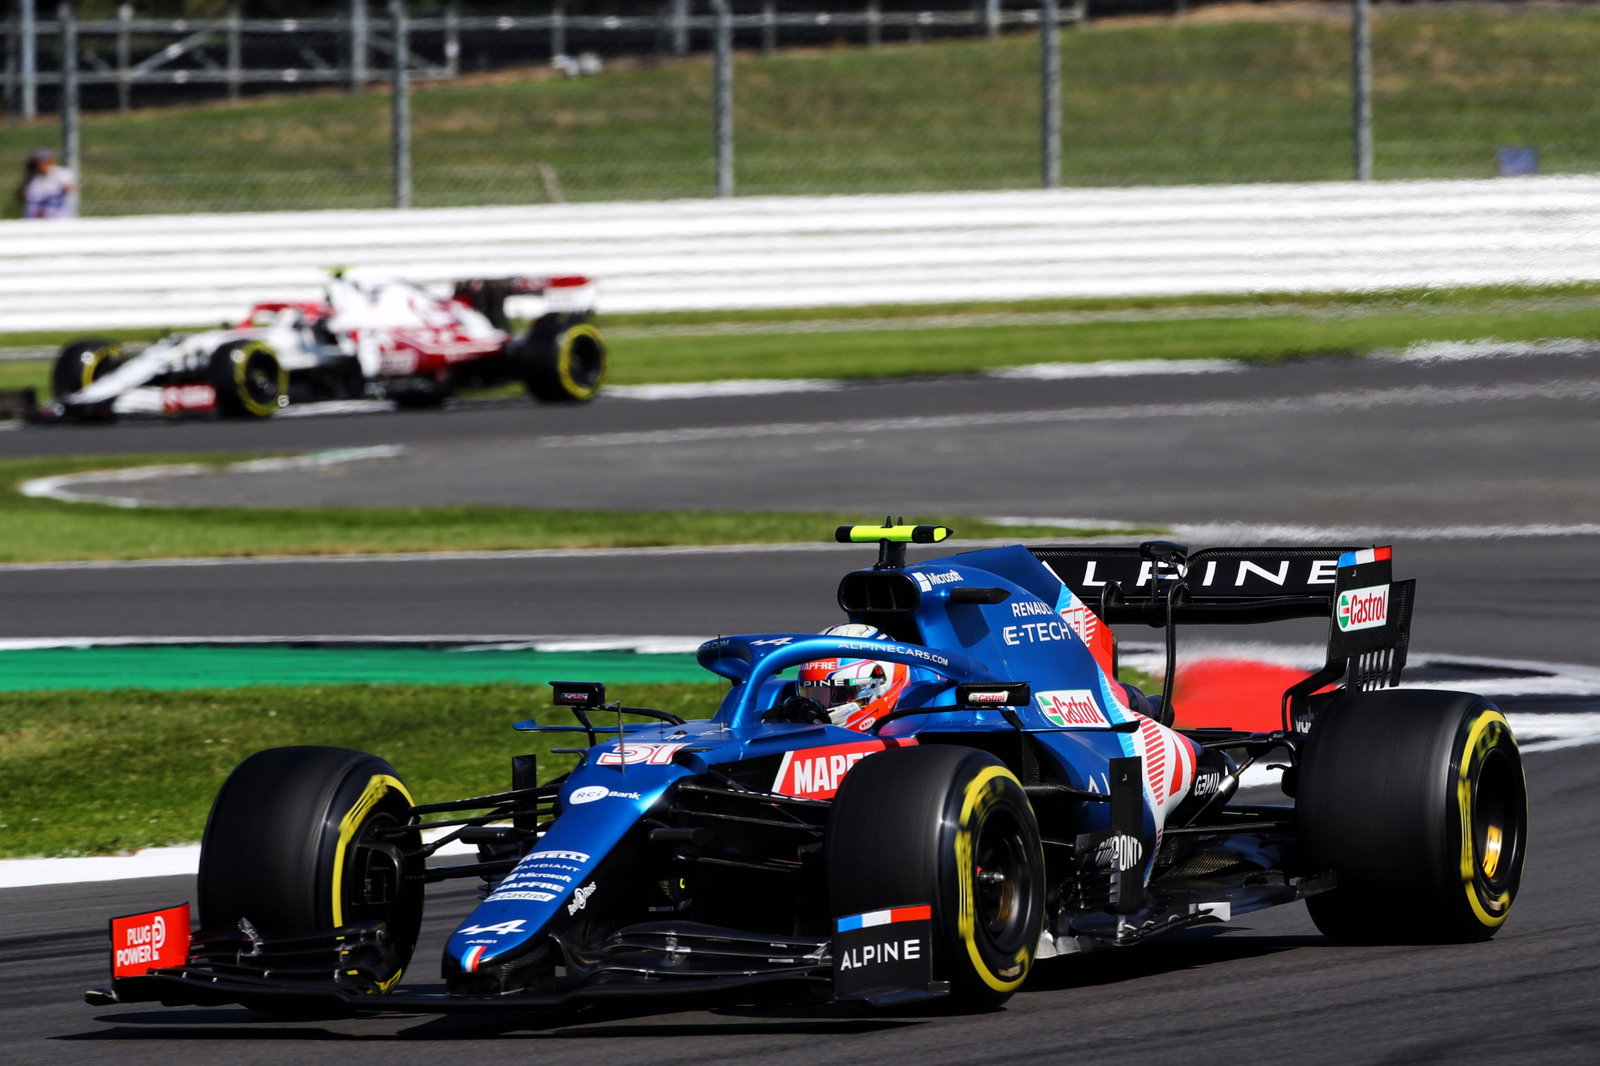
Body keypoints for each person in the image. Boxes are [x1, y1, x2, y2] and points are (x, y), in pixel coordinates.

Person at [793, 623, 912, 732]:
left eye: (840, 694)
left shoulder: (915, 737)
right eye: (814, 694)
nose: (821, 706)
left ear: (879, 679)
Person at [16, 147, 77, 219]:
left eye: (43, 161)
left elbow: (70, 188)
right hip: (33, 220)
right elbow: (21, 197)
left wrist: (53, 177)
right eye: (37, 162)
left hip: (56, 219)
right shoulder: (31, 178)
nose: (40, 165)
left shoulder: (60, 173)